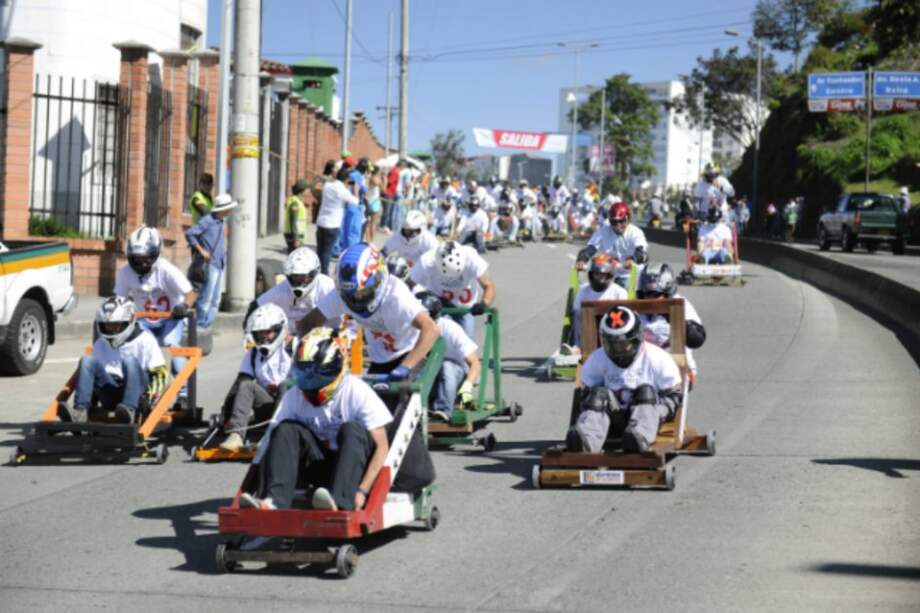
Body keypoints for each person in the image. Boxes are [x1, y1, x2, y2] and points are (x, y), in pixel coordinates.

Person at [239, 326, 392, 512]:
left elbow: (382, 447)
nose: (311, 381)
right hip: (321, 467)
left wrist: (362, 491)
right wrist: (250, 489)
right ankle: (273, 501)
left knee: (351, 429)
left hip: (355, 470)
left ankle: (340, 502)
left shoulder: (357, 392)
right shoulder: (295, 395)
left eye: (318, 374)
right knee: (285, 429)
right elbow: (269, 441)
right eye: (305, 373)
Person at [565, 305, 683, 454]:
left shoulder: (658, 358)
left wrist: (656, 410)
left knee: (646, 391)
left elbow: (673, 397)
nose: (618, 350)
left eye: (623, 344)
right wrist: (594, 402)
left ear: (637, 338)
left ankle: (638, 438)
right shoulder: (597, 358)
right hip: (613, 419)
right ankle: (586, 442)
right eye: (613, 344)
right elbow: (585, 397)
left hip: (648, 416)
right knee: (598, 394)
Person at [114, 225, 196, 401]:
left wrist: (184, 307)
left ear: (155, 253)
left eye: (145, 257)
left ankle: (184, 393)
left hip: (171, 319)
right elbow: (118, 300)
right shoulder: (126, 273)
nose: (141, 263)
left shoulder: (166, 270)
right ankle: (145, 390)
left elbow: (191, 294)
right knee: (139, 350)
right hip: (144, 320)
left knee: (170, 346)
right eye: (136, 258)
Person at [59, 296, 169, 425]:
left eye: (115, 325)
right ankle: (81, 411)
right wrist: (92, 399)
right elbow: (95, 377)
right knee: (87, 360)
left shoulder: (145, 340)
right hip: (111, 392)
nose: (111, 330)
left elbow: (161, 374)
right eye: (107, 326)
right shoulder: (101, 343)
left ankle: (129, 410)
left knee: (129, 361)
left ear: (129, 321)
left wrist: (150, 399)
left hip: (138, 394)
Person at [219, 303, 292, 452]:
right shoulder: (253, 355)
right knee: (246, 385)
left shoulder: (294, 347)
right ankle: (236, 435)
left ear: (279, 330)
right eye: (260, 333)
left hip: (292, 408)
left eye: (268, 332)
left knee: (285, 385)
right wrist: (226, 417)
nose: (263, 337)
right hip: (266, 407)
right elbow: (239, 384)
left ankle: (272, 435)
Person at [415, 291, 481, 423]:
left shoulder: (451, 329)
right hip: (430, 376)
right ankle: (414, 409)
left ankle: (443, 410)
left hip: (456, 376)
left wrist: (467, 387)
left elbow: (475, 363)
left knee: (446, 366)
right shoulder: (412, 329)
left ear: (434, 316)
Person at [409, 240, 495, 339]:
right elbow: (408, 285)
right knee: (426, 333)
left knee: (466, 339)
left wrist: (484, 303)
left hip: (464, 306)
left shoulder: (472, 259)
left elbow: (489, 285)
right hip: (436, 299)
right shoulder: (426, 261)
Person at [636, 262, 706, 380]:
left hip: (676, 363)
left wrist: (671, 316)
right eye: (648, 294)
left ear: (667, 293)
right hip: (644, 366)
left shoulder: (679, 304)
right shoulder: (636, 307)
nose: (651, 299)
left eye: (656, 294)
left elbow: (697, 339)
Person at [251, 247, 338, 333]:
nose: (299, 282)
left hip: (329, 336)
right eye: (295, 277)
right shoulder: (282, 289)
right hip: (293, 337)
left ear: (314, 273)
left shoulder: (328, 287)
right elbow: (256, 305)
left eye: (303, 277)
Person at [185, 193, 237, 329]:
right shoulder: (207, 221)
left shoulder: (221, 222)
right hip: (210, 265)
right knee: (206, 298)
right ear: (223, 209)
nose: (230, 211)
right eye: (228, 209)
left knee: (216, 299)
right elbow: (190, 234)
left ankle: (208, 325)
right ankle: (200, 326)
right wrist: (201, 251)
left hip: (219, 264)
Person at [576, 201, 649, 287]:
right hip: (609, 273)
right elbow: (590, 248)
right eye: (614, 222)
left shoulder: (636, 232)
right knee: (594, 286)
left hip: (630, 274)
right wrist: (582, 259)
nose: (618, 225)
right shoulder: (603, 231)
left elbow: (641, 251)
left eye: (621, 221)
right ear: (610, 220)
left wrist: (633, 259)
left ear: (628, 218)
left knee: (623, 289)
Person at [567, 254, 628, 350]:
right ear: (592, 275)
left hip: (610, 331)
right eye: (597, 274)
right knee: (577, 312)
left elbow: (623, 317)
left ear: (609, 275)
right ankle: (577, 347)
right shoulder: (583, 290)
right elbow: (576, 312)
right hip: (587, 330)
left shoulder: (620, 292)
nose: (600, 278)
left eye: (603, 275)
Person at [316, 166, 359, 275]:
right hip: (332, 225)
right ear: (346, 180)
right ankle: (324, 274)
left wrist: (346, 186)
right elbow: (355, 202)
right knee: (327, 252)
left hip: (321, 222)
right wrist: (356, 190)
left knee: (320, 250)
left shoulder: (327, 185)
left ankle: (317, 272)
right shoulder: (342, 190)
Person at [284, 179, 310, 253]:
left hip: (296, 236)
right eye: (307, 189)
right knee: (295, 257)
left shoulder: (298, 201)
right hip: (294, 237)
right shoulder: (295, 203)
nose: (308, 191)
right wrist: (296, 239)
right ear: (302, 191)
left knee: (294, 256)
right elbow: (293, 221)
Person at [364, 164, 383, 243]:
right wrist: (381, 177)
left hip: (368, 201)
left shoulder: (367, 177)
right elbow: (381, 186)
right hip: (374, 202)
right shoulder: (374, 178)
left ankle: (368, 240)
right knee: (373, 223)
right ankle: (371, 241)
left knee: (367, 223)